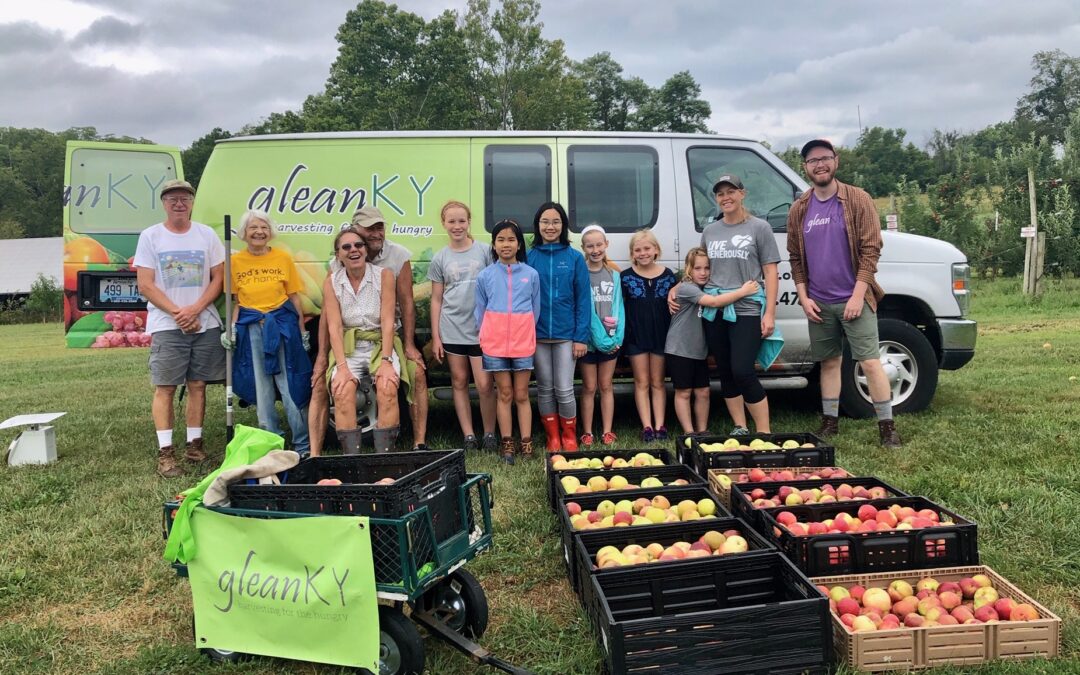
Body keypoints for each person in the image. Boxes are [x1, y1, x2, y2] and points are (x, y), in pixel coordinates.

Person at [787, 139, 902, 447]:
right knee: (829, 362)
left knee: (869, 362)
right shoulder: (800, 208)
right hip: (818, 302)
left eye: (825, 158)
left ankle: (887, 427)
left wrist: (856, 295)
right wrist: (804, 295)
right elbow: (795, 258)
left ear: (835, 161)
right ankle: (829, 422)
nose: (819, 164)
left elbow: (870, 250)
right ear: (805, 168)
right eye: (813, 161)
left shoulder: (857, 199)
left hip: (855, 298)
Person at [308, 206, 427, 454]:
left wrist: (407, 345)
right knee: (327, 384)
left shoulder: (395, 260)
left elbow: (405, 305)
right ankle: (319, 454)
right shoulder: (335, 271)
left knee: (409, 376)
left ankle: (416, 444)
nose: (375, 233)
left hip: (388, 334)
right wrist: (324, 359)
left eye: (379, 227)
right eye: (368, 228)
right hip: (349, 340)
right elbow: (330, 320)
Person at [133, 179, 225, 477]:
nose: (179, 203)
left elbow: (219, 279)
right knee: (166, 387)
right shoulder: (151, 236)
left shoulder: (206, 235)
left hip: (204, 322)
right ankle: (166, 454)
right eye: (172, 198)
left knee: (198, 386)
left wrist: (195, 310)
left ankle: (195, 446)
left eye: (184, 198)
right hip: (167, 325)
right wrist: (178, 313)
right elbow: (145, 284)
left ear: (192, 202)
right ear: (164, 203)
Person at [221, 209, 312, 457]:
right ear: (244, 233)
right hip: (251, 327)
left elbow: (294, 296)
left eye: (263, 227)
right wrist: (231, 330)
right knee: (262, 388)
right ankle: (273, 443)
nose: (259, 232)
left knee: (290, 384)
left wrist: (302, 330)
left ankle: (303, 445)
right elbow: (237, 301)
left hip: (283, 326)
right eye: (253, 228)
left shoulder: (282, 258)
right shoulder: (235, 262)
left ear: (270, 232)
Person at [698, 174, 781, 435]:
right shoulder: (710, 231)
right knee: (725, 371)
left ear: (742, 194)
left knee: (743, 369)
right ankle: (740, 427)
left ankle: (764, 432)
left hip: (747, 309)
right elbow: (700, 268)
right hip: (715, 310)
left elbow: (770, 273)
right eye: (720, 193)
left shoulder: (759, 228)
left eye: (731, 191)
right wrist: (680, 286)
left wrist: (769, 313)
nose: (726, 197)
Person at [321, 228, 403, 453]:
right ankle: (352, 462)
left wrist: (386, 361)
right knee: (342, 390)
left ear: (366, 250)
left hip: (379, 344)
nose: (353, 250)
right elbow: (335, 327)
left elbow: (387, 321)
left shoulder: (383, 275)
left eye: (358, 245)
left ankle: (384, 460)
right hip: (349, 347)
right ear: (338, 255)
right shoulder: (332, 283)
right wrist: (343, 367)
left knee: (387, 386)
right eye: (346, 247)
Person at [666, 247, 759, 435]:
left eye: (707, 268)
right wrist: (743, 291)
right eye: (697, 268)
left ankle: (703, 431)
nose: (703, 272)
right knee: (684, 392)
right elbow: (715, 303)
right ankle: (689, 432)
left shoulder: (705, 287)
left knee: (703, 391)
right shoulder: (687, 289)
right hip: (680, 349)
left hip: (699, 351)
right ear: (688, 270)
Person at [428, 200, 497, 451]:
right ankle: (468, 435)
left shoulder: (485, 251)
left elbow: (496, 286)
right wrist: (436, 337)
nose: (457, 226)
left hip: (482, 329)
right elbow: (436, 299)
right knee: (458, 381)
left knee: (485, 384)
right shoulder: (440, 258)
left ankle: (490, 433)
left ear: (469, 222)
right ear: (444, 224)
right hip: (452, 327)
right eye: (451, 221)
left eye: (461, 221)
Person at [526, 202, 591, 452]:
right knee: (544, 389)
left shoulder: (574, 257)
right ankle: (552, 437)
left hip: (567, 336)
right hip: (537, 335)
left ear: (563, 225)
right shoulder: (529, 256)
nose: (550, 226)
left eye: (555, 222)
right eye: (545, 221)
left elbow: (583, 299)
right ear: (538, 225)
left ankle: (569, 436)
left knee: (564, 389)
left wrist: (581, 337)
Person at [475, 220, 540, 464]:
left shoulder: (531, 274)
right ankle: (507, 445)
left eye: (511, 239)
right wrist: (487, 334)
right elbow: (480, 311)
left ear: (519, 243)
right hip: (494, 343)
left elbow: (536, 309)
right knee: (504, 393)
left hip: (523, 342)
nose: (506, 244)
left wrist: (525, 332)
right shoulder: (485, 276)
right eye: (500, 239)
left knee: (522, 394)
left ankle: (526, 442)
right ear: (493, 244)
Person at [621, 229, 677, 442]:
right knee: (641, 381)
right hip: (637, 336)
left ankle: (660, 425)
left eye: (647, 248)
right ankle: (646, 426)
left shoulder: (668, 275)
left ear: (656, 250)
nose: (643, 253)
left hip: (661, 335)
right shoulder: (626, 277)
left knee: (658, 381)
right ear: (632, 253)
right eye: (638, 250)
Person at [578, 225, 623, 447]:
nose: (595, 250)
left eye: (599, 245)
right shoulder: (581, 274)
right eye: (590, 246)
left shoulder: (614, 274)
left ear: (606, 244)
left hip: (610, 340)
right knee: (589, 387)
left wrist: (615, 339)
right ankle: (587, 431)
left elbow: (619, 308)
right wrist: (596, 338)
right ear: (583, 248)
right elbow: (583, 309)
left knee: (606, 385)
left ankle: (607, 430)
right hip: (587, 341)